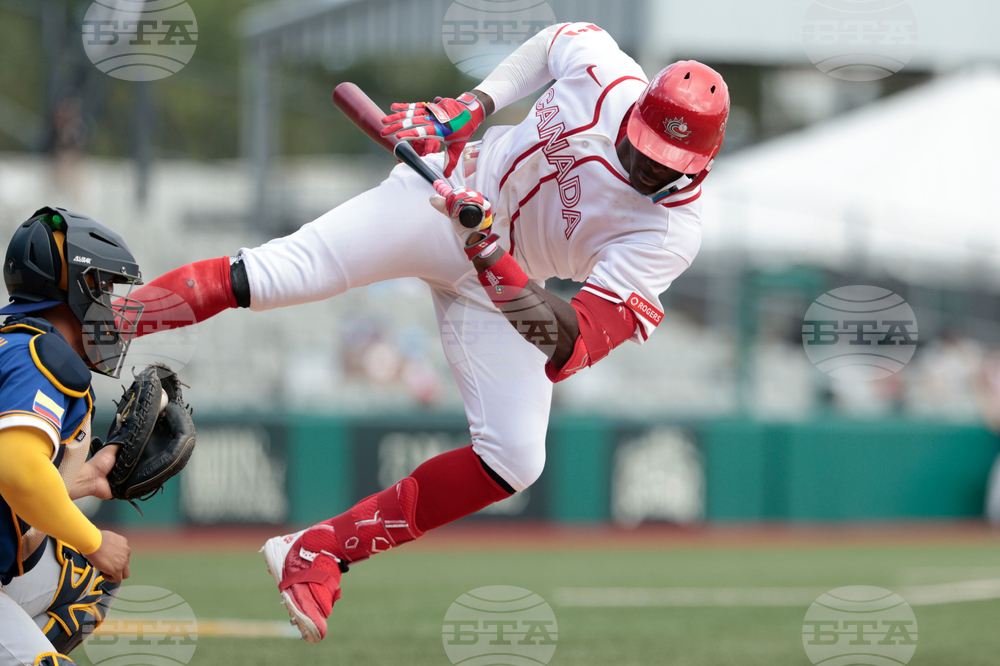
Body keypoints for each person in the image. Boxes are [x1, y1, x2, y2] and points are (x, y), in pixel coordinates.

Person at [128, 22, 730, 642]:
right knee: (275, 274)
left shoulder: (668, 234)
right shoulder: (607, 76)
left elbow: (567, 347)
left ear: (698, 167)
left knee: (515, 460)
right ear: (636, 113)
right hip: (442, 196)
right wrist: (473, 105)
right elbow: (556, 40)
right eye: (641, 143)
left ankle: (319, 551)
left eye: (664, 165)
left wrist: (494, 263)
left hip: (512, 288)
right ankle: (104, 327)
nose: (642, 164)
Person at [0, 207, 141, 665]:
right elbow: (16, 469)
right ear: (75, 290)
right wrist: (93, 540)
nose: (111, 305)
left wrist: (89, 479)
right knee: (92, 560)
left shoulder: (14, 340)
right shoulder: (41, 354)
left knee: (87, 581)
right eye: (103, 286)